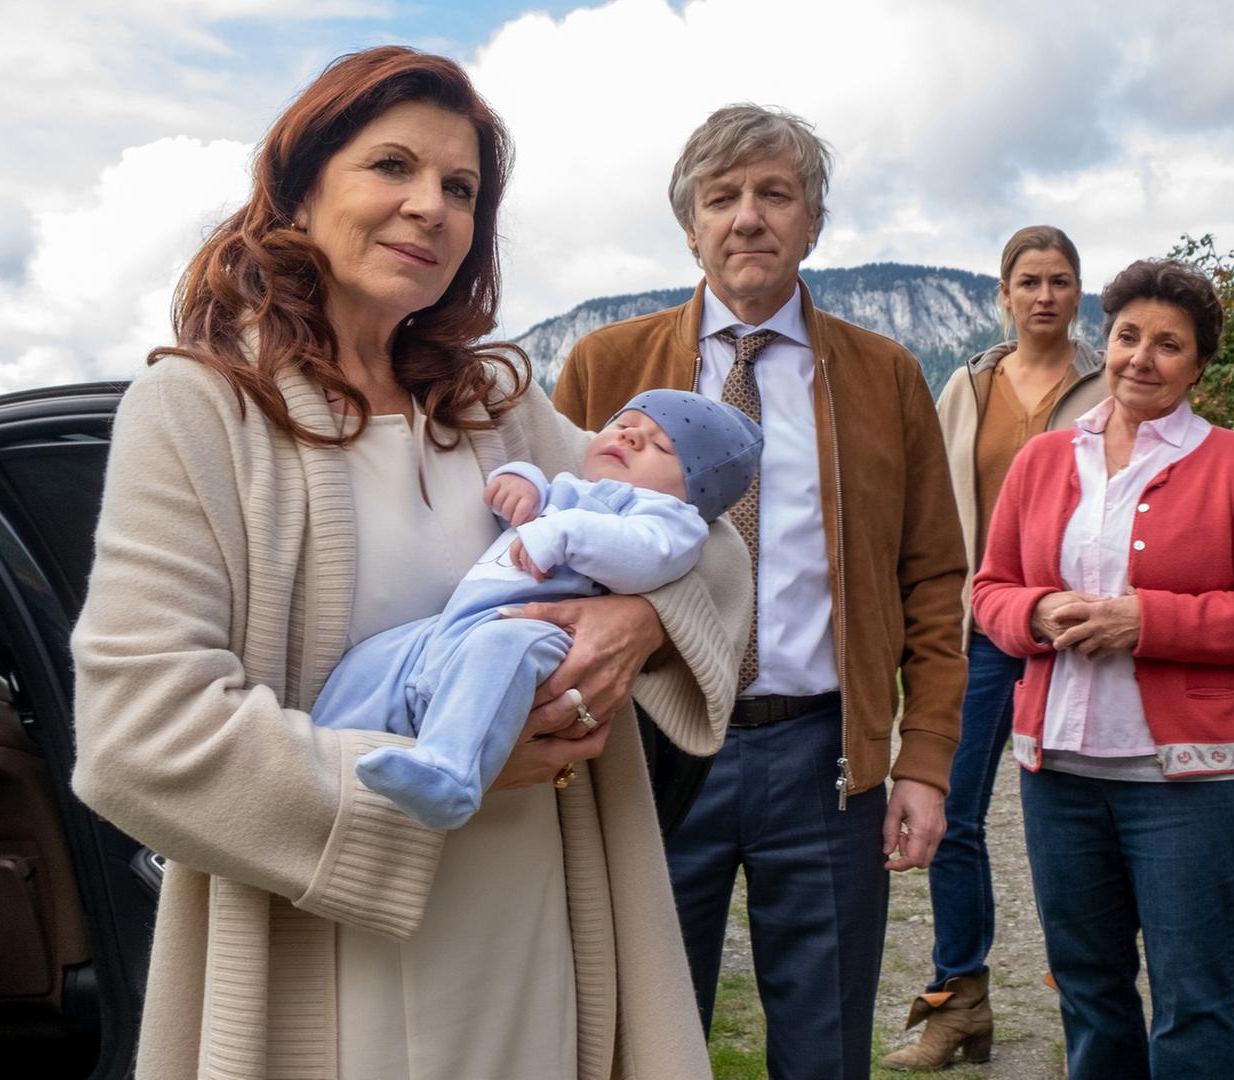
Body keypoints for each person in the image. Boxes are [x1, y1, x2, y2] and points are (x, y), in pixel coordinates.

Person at [68, 48, 750, 1079]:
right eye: (392, 166)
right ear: (296, 192)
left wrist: (637, 620)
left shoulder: (493, 406)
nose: (430, 206)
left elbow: (714, 539)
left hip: (531, 932)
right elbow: (139, 734)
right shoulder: (199, 409)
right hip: (330, 952)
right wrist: (425, 784)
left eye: (461, 187)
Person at [551, 103, 967, 1080]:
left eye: (775, 194)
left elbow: (935, 578)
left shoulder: (886, 373)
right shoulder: (604, 367)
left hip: (824, 760)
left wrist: (927, 757)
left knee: (824, 1047)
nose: (748, 216)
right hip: (646, 748)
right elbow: (546, 546)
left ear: (813, 223)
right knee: (637, 1042)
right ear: (689, 227)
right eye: (722, 197)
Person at [972, 258, 1234, 1079]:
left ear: (1197, 365)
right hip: (1062, 773)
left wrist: (1144, 620)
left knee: (1193, 999)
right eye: (1127, 336)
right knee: (1089, 990)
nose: (1141, 359)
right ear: (1105, 342)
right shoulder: (1044, 461)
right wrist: (1039, 613)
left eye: (1168, 345)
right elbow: (990, 591)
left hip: (1191, 780)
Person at [313, 390, 761, 830]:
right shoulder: (572, 486)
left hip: (538, 630)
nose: (630, 438)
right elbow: (533, 491)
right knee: (374, 657)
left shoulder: (667, 517)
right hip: (461, 623)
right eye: (624, 424)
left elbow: (647, 555)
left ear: (699, 492)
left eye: (661, 446)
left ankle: (449, 773)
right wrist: (520, 482)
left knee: (496, 656)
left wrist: (566, 533)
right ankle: (330, 751)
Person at [881, 223, 1107, 1070]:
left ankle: (1094, 1006)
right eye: (1029, 281)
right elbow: (929, 498)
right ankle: (960, 999)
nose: (1044, 295)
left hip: (1075, 633)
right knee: (955, 814)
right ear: (1003, 295)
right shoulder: (968, 386)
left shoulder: (1107, 385)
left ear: (1078, 291)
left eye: (1059, 280)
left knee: (1083, 823)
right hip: (980, 626)